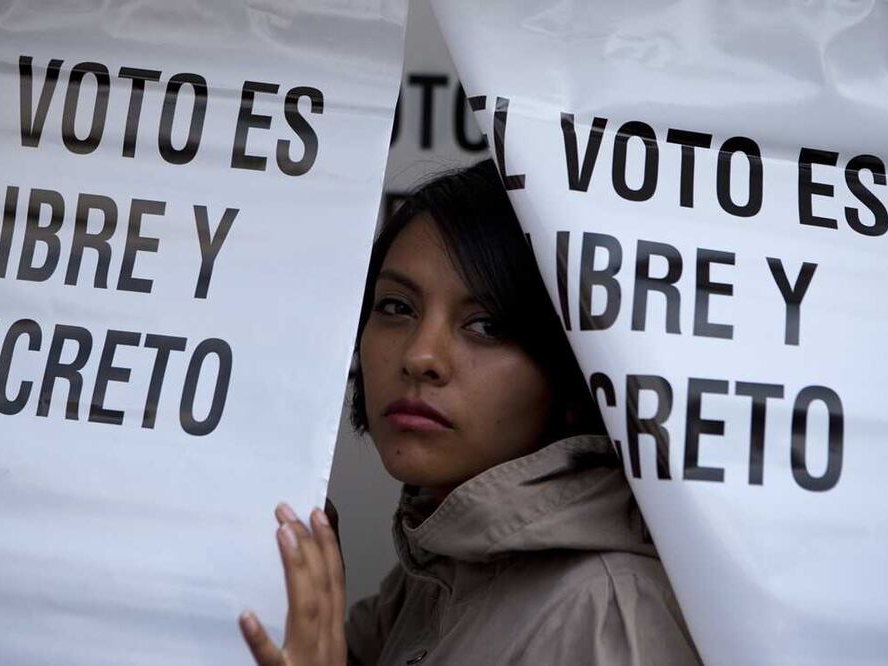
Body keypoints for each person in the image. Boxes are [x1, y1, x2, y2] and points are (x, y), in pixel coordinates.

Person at [237, 159, 701, 665]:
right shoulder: (438, 566)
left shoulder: (604, 612)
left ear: (573, 371)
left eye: (486, 326)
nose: (420, 357)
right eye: (396, 307)